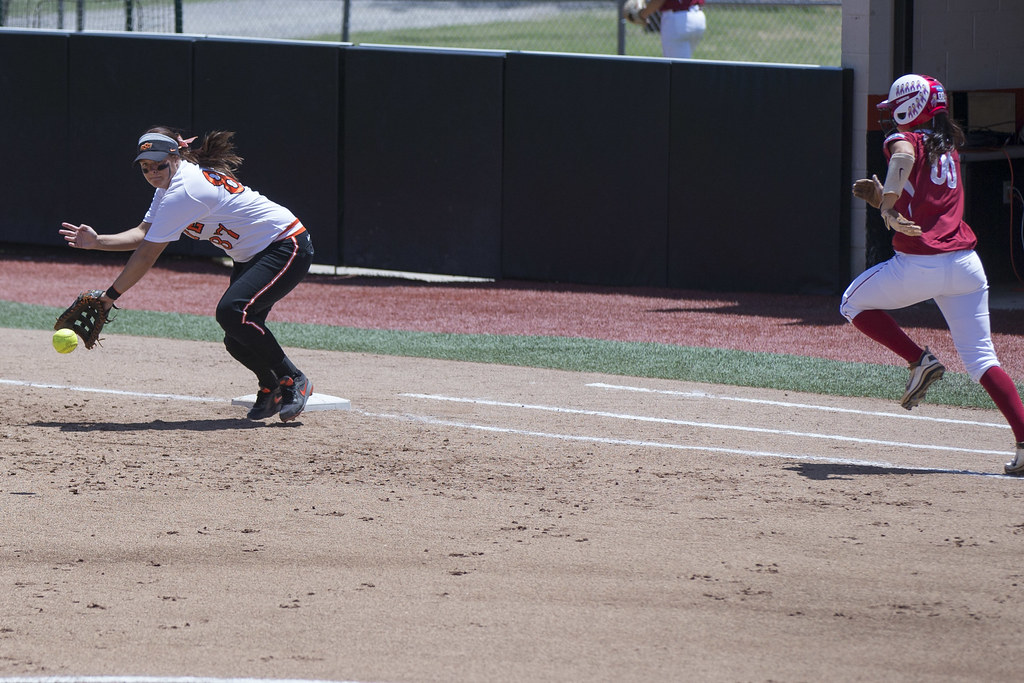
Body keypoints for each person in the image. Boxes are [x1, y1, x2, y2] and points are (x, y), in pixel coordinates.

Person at [59, 127, 315, 423]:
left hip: (285, 244)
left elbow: (148, 253)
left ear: (176, 156)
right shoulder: (168, 188)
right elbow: (144, 234)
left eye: (159, 165)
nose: (153, 172)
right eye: (145, 168)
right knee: (236, 336)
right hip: (253, 253)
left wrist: (110, 297)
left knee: (232, 313)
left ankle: (293, 378)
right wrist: (98, 241)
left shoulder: (185, 191)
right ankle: (271, 387)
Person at [843, 73, 1024, 475]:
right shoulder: (950, 147)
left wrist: (886, 204)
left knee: (851, 303)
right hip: (966, 266)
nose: (892, 117)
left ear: (911, 106)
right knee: (982, 361)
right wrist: (884, 200)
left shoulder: (904, 139)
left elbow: (904, 158)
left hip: (921, 264)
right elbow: (919, 196)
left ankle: (918, 360)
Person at [639, 0, 706, 59]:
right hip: (699, 17)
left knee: (677, 68)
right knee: (685, 63)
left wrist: (642, 14)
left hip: (678, 18)